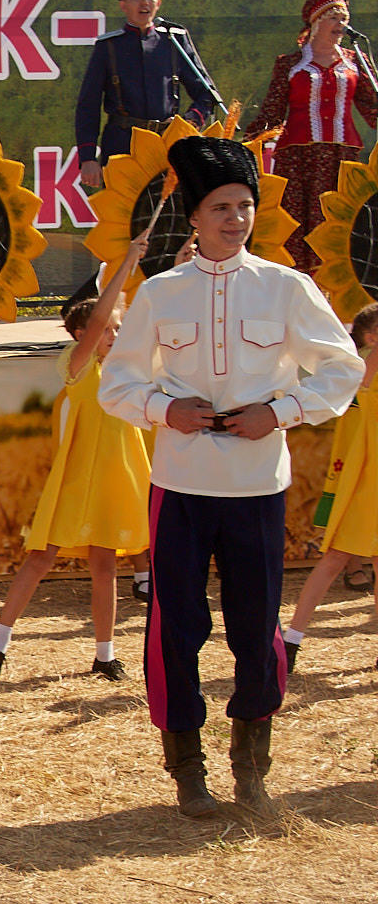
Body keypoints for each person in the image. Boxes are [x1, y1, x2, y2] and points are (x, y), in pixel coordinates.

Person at [100, 136, 361, 818]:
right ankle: (187, 764)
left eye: (244, 206)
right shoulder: (161, 292)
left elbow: (343, 367)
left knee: (255, 625)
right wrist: (166, 409)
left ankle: (253, 763)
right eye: (221, 207)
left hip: (257, 485)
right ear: (194, 214)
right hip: (180, 484)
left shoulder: (285, 286)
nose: (235, 218)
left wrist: (280, 412)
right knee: (175, 625)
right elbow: (115, 384)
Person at [0, 230, 155, 684]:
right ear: (83, 334)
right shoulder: (74, 367)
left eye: (119, 328)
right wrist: (127, 264)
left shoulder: (126, 373)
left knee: (104, 566)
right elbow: (99, 320)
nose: (115, 334)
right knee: (40, 559)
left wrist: (174, 262)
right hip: (76, 479)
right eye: (109, 328)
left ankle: (104, 654)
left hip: (116, 478)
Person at [245, 0, 375, 272]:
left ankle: (337, 293)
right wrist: (245, 143)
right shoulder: (290, 64)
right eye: (334, 18)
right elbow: (273, 112)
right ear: (316, 22)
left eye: (344, 19)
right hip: (299, 161)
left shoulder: (356, 62)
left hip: (344, 159)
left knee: (342, 225)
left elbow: (373, 108)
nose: (342, 25)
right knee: (299, 226)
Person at [286, 302, 378, 671]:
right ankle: (291, 640)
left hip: (368, 477)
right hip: (363, 480)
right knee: (336, 558)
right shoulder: (364, 366)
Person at [73, 0, 220, 191]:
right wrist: (88, 158)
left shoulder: (174, 41)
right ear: (124, 5)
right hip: (122, 147)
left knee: (170, 218)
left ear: (158, 3)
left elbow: (206, 94)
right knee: (123, 221)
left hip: (167, 149)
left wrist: (188, 123)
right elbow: (88, 107)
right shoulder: (109, 47)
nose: (145, 3)